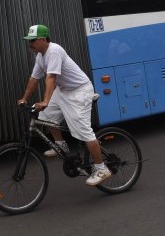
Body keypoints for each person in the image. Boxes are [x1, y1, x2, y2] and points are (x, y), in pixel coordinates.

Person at [17, 24, 111, 186]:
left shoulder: (54, 50)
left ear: (42, 39)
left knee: (83, 131)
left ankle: (101, 168)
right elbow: (34, 78)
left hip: (79, 91)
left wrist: (45, 101)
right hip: (64, 91)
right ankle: (61, 145)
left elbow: (51, 78)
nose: (29, 44)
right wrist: (24, 98)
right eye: (29, 41)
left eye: (32, 41)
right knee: (46, 117)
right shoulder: (40, 56)